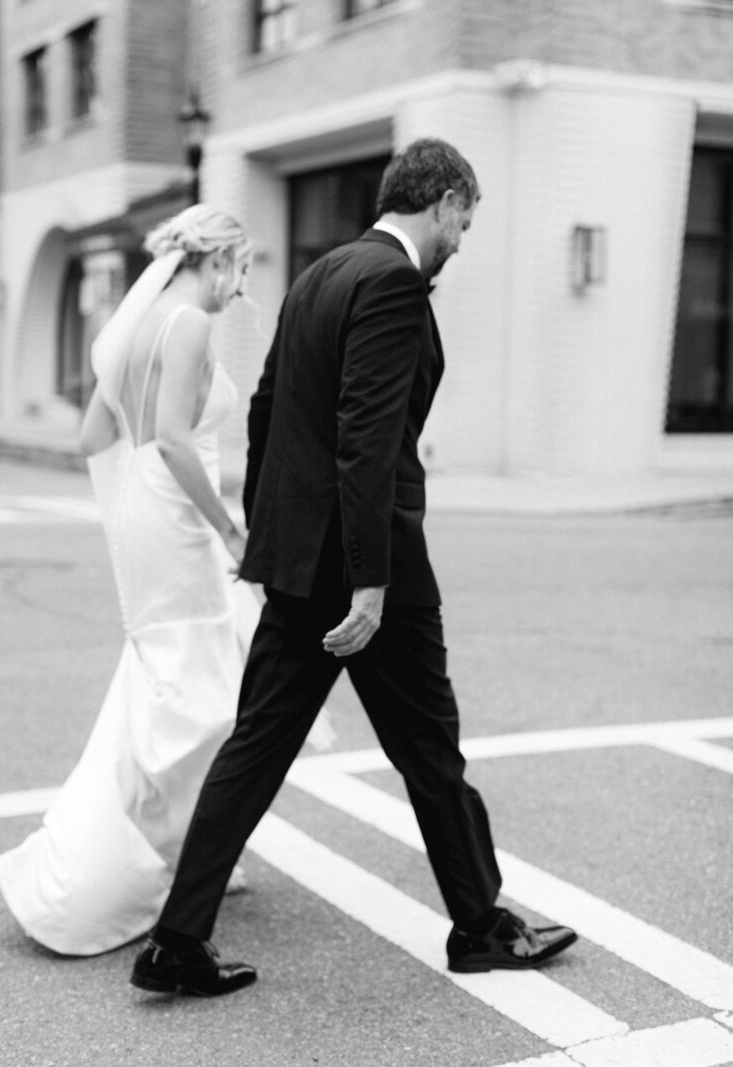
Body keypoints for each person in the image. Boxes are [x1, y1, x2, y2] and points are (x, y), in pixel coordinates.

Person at [130, 139, 578, 997]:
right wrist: (370, 580)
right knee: (429, 745)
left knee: (256, 747)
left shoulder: (318, 275)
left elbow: (268, 410)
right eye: (466, 218)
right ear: (443, 200)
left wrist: (270, 542)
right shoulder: (393, 283)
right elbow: (365, 436)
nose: (464, 236)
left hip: (304, 560)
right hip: (370, 569)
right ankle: (481, 924)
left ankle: (176, 942)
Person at [0, 205, 263, 955]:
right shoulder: (191, 325)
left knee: (170, 678)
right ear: (218, 260)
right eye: (241, 272)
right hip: (176, 518)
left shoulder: (133, 327)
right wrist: (230, 527)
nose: (240, 290)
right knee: (200, 691)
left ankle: (180, 850)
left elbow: (90, 438)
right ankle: (156, 858)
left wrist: (135, 442)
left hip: (141, 515)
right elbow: (176, 441)